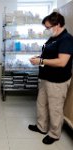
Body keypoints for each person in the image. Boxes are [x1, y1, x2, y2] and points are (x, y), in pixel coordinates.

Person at [29, 12, 73, 144]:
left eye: (48, 27)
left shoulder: (66, 39)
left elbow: (62, 62)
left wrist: (41, 61)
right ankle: (42, 127)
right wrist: (38, 58)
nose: (47, 30)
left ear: (58, 24)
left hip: (57, 80)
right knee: (41, 103)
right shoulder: (53, 38)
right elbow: (48, 55)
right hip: (46, 77)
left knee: (55, 108)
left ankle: (54, 134)